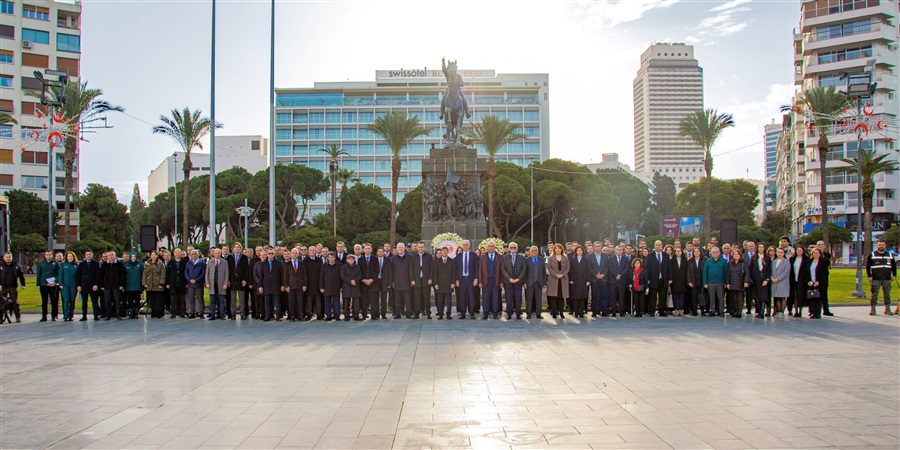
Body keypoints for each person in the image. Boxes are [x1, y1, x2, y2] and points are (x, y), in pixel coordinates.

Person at [866, 239, 896, 315]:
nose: (881, 246)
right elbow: (867, 266)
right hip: (876, 278)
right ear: (877, 246)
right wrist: (869, 276)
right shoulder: (872, 255)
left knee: (887, 294)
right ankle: (873, 309)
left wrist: (894, 275)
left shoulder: (890, 255)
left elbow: (894, 266)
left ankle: (887, 309)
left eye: (882, 245)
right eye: (879, 245)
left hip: (887, 278)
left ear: (885, 246)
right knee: (874, 294)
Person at [255, 248, 284, 321]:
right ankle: (267, 316)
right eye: (269, 253)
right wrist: (260, 286)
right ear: (267, 254)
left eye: (272, 253)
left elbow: (282, 275)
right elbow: (261, 276)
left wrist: (282, 285)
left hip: (276, 285)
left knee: (277, 302)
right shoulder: (263, 264)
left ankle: (278, 316)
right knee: (267, 302)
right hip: (266, 285)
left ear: (274, 254)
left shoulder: (278, 263)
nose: (270, 255)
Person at [645, 241, 671, 317]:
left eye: (659, 245)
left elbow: (669, 268)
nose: (658, 246)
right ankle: (652, 311)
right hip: (653, 279)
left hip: (663, 279)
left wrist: (670, 278)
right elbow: (647, 268)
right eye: (657, 245)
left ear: (662, 246)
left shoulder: (666, 256)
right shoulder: (650, 256)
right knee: (652, 296)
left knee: (662, 296)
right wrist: (648, 279)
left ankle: (661, 311)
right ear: (654, 246)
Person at [501, 242, 526, 320]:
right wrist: (509, 278)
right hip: (508, 282)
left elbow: (524, 269)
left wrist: (518, 278)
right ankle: (509, 313)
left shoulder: (521, 258)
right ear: (509, 248)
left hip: (518, 281)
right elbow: (503, 269)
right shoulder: (504, 258)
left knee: (518, 298)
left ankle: (518, 313)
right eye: (511, 248)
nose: (512, 249)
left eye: (514, 248)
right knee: (508, 298)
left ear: (517, 249)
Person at [802, 248, 829, 319]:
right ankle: (812, 312)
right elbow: (806, 273)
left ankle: (817, 313)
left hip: (820, 283)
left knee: (818, 298)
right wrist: (808, 281)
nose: (816, 254)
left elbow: (824, 273)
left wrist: (818, 281)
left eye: (817, 253)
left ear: (820, 254)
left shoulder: (823, 262)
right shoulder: (808, 262)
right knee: (812, 298)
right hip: (811, 283)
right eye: (814, 253)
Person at [479, 241, 502, 320]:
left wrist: (501, 281)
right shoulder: (483, 257)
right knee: (486, 297)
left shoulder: (499, 256)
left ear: (495, 247)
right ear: (487, 247)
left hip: (496, 280)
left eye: (492, 246)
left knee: (495, 297)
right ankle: (485, 313)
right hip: (486, 280)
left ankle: (495, 313)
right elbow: (480, 270)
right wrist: (480, 281)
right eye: (489, 246)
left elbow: (501, 270)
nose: (491, 248)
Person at [283, 248, 308, 322]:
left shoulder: (301, 263)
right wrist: (286, 286)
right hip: (290, 286)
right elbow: (285, 276)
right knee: (291, 302)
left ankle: (300, 315)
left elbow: (304, 275)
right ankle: (292, 316)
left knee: (300, 302)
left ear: (298, 254)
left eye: (296, 253)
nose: (294, 254)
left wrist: (305, 285)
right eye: (293, 253)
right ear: (291, 254)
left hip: (300, 286)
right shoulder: (287, 264)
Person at [75, 250, 101, 321]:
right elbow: (78, 275)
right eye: (87, 254)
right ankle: (84, 316)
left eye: (90, 254)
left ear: (92, 255)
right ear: (85, 255)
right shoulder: (81, 264)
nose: (88, 256)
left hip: (93, 286)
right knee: (84, 302)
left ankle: (96, 315)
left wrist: (96, 284)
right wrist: (78, 285)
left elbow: (98, 275)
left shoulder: (96, 264)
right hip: (84, 285)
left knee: (94, 302)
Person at [227, 243, 250, 320]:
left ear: (241, 249)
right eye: (235, 247)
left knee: (242, 299)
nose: (237, 248)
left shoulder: (244, 257)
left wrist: (245, 280)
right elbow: (227, 270)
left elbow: (246, 270)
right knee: (233, 298)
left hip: (241, 280)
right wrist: (228, 280)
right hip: (232, 280)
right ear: (232, 249)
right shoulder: (229, 257)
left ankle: (242, 313)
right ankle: (233, 313)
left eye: (238, 247)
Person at [205, 248, 230, 320]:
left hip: (221, 284)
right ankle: (212, 315)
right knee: (212, 300)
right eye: (215, 253)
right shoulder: (210, 262)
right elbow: (207, 273)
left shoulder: (224, 262)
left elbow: (226, 274)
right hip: (212, 284)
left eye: (218, 253)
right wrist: (207, 283)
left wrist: (225, 283)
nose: (217, 254)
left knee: (221, 300)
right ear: (213, 254)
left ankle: (222, 315)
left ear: (220, 254)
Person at [410, 242, 433, 319]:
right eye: (419, 247)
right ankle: (416, 313)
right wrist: (412, 279)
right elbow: (411, 269)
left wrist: (430, 278)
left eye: (422, 247)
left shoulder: (429, 256)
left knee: (426, 298)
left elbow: (431, 269)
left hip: (426, 280)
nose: (420, 248)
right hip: (417, 280)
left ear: (424, 247)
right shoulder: (413, 257)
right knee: (417, 298)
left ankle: (428, 313)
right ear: (417, 248)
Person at [99, 251, 125, 320]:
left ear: (115, 256)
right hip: (107, 286)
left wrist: (121, 285)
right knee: (107, 301)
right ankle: (108, 315)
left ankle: (118, 314)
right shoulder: (104, 265)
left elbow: (122, 275)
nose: (111, 256)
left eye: (112, 255)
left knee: (117, 301)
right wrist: (102, 285)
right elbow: (101, 276)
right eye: (109, 255)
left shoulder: (119, 265)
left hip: (116, 286)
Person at [456, 240, 479, 319]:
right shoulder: (459, 256)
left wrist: (476, 278)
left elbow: (476, 267)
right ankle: (463, 313)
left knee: (471, 297)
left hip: (470, 279)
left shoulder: (473, 255)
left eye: (467, 245)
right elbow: (457, 269)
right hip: (462, 279)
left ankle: (472, 313)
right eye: (464, 245)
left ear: (469, 246)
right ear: (462, 246)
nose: (465, 246)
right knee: (462, 297)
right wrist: (457, 279)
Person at [748, 243, 771, 319]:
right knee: (756, 296)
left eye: (762, 247)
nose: (761, 248)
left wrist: (767, 279)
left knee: (763, 296)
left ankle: (762, 312)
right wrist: (750, 279)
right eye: (759, 247)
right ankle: (758, 310)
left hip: (763, 278)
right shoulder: (754, 257)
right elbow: (750, 268)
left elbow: (769, 270)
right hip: (755, 279)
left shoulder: (767, 258)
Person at [703, 247, 728, 317]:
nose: (715, 253)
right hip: (710, 282)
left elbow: (726, 272)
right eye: (713, 252)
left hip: (721, 282)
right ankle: (712, 311)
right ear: (711, 253)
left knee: (721, 298)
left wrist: (726, 282)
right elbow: (705, 272)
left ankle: (721, 311)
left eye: (717, 252)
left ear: (719, 253)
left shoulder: (724, 261)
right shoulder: (707, 261)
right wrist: (705, 282)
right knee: (712, 298)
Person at [547, 243, 570, 319]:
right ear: (554, 249)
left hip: (563, 279)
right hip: (553, 279)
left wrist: (563, 274)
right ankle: (554, 312)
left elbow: (568, 268)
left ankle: (561, 312)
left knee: (561, 297)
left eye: (559, 248)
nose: (558, 250)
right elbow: (549, 268)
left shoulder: (565, 258)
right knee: (553, 297)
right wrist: (555, 274)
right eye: (556, 248)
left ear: (561, 250)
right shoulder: (551, 258)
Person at [0, 252, 25, 323]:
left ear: (11, 257)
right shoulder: (1, 266)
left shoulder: (15, 266)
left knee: (15, 302)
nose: (8, 258)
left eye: (9, 257)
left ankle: (18, 316)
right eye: (6, 257)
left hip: (12, 287)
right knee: (1, 303)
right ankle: (0, 317)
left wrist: (23, 285)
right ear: (4, 258)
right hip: (3, 287)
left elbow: (21, 276)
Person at [142, 250, 167, 319]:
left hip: (158, 285)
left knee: (158, 301)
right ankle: (153, 313)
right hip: (150, 285)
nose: (153, 256)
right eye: (152, 255)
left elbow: (163, 274)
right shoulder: (147, 264)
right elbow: (144, 274)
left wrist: (161, 283)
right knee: (152, 301)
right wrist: (144, 283)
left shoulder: (160, 264)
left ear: (157, 256)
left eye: (154, 255)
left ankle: (158, 314)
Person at [726, 249, 750, 318]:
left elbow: (747, 273)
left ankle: (739, 312)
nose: (736, 256)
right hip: (732, 282)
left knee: (740, 298)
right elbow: (728, 273)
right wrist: (727, 283)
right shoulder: (730, 263)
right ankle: (735, 311)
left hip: (740, 282)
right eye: (735, 254)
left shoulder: (743, 263)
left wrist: (746, 281)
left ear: (740, 255)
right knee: (734, 298)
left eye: (738, 254)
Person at [390, 243, 413, 319]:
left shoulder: (409, 257)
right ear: (396, 249)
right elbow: (392, 271)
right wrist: (392, 281)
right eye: (399, 247)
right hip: (397, 281)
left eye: (401, 247)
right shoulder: (393, 258)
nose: (400, 249)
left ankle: (408, 313)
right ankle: (397, 313)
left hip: (407, 281)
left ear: (404, 249)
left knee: (407, 299)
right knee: (397, 299)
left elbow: (411, 270)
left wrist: (411, 280)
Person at [36, 250, 59, 322]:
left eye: (49, 255)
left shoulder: (55, 263)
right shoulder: (41, 264)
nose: (48, 256)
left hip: (52, 284)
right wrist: (38, 284)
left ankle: (53, 316)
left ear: (52, 255)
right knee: (44, 301)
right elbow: (38, 274)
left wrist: (55, 282)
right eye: (47, 255)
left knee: (53, 300)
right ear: (45, 255)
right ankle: (44, 316)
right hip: (43, 284)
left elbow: (58, 274)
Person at [523, 246, 546, 319]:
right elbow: (524, 272)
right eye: (532, 250)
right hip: (529, 283)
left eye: (536, 250)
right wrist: (524, 282)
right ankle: (528, 313)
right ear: (530, 252)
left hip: (539, 282)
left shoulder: (541, 260)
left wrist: (544, 282)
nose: (534, 252)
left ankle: (538, 313)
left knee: (538, 299)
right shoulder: (526, 260)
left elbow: (544, 272)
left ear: (538, 251)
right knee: (529, 299)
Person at [588, 241, 609, 318]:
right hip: (594, 279)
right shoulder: (590, 256)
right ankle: (594, 311)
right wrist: (596, 275)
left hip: (603, 279)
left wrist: (603, 274)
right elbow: (589, 268)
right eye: (596, 246)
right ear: (594, 247)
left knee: (604, 295)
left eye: (599, 246)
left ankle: (604, 311)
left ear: (601, 247)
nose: (597, 247)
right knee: (595, 296)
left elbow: (607, 267)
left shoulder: (605, 256)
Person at [55, 251, 78, 322]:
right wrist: (60, 284)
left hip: (73, 285)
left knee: (72, 300)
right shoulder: (63, 265)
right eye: (68, 256)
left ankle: (71, 315)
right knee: (66, 300)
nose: (70, 257)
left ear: (73, 257)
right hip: (65, 286)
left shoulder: (76, 265)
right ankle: (66, 315)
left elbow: (78, 276)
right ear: (66, 257)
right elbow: (60, 274)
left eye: (71, 256)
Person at [184, 250, 207, 319]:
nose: (194, 255)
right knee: (191, 299)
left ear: (198, 255)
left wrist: (196, 280)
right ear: (190, 255)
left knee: (200, 298)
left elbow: (203, 273)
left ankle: (201, 312)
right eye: (192, 254)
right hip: (190, 284)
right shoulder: (188, 263)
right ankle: (192, 312)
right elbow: (186, 272)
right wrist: (189, 279)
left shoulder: (202, 263)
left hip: (198, 283)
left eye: (195, 254)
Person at [609, 245, 630, 317]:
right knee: (613, 297)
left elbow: (626, 268)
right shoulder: (611, 258)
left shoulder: (626, 259)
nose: (619, 251)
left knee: (622, 297)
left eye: (620, 250)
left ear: (622, 251)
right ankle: (613, 311)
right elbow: (610, 268)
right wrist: (615, 275)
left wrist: (620, 275)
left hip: (622, 280)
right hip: (613, 280)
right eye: (617, 249)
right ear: (615, 250)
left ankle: (622, 311)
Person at [320, 252, 342, 321]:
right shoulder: (324, 265)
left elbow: (341, 277)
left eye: (332, 257)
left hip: (336, 286)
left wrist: (341, 286)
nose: (331, 259)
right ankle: (328, 315)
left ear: (335, 258)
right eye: (329, 257)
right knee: (327, 302)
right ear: (328, 258)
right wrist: (321, 287)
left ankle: (337, 315)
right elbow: (321, 277)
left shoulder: (339, 265)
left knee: (336, 302)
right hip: (327, 287)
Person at [303, 247, 323, 321]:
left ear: (315, 251)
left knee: (318, 300)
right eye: (310, 250)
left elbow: (321, 273)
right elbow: (304, 273)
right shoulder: (305, 261)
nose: (312, 252)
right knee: (309, 300)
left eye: (313, 250)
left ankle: (319, 314)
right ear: (308, 251)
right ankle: (309, 314)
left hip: (317, 283)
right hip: (308, 283)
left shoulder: (319, 260)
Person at [770, 247, 791, 318]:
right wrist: (772, 278)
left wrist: (778, 278)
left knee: (782, 297)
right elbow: (770, 271)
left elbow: (786, 272)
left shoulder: (786, 262)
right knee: (777, 297)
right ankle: (778, 311)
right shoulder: (773, 261)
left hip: (782, 282)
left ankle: (782, 312)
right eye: (778, 252)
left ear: (784, 253)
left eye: (781, 252)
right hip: (774, 282)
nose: (780, 254)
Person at [340, 254, 362, 321]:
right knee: (346, 302)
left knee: (356, 302)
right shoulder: (343, 267)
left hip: (355, 285)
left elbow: (360, 275)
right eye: (349, 259)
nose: (351, 260)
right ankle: (346, 316)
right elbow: (342, 276)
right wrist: (350, 281)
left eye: (352, 259)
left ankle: (356, 315)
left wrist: (355, 280)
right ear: (347, 260)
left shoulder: (357, 267)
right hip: (347, 286)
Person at [668, 247, 689, 317]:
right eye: (677, 251)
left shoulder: (685, 260)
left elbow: (687, 271)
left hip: (683, 280)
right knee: (675, 296)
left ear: (682, 252)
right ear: (674, 252)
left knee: (681, 296)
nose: (678, 252)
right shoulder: (672, 260)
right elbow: (670, 270)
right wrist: (670, 279)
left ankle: (681, 309)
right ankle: (676, 309)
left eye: (679, 251)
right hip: (674, 280)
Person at [123, 253, 144, 319]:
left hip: (138, 286)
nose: (133, 258)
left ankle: (136, 312)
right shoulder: (126, 265)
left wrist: (143, 284)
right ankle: (131, 311)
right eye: (132, 256)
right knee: (130, 300)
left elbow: (143, 275)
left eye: (134, 256)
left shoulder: (140, 265)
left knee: (137, 300)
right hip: (129, 286)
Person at [167, 248, 187, 319]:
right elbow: (168, 273)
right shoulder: (170, 262)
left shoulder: (184, 262)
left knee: (182, 299)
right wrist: (168, 283)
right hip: (173, 283)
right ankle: (173, 313)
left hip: (182, 283)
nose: (177, 254)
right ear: (174, 254)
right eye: (176, 253)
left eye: (179, 253)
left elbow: (186, 272)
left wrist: (186, 283)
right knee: (173, 299)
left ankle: (183, 312)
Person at [686, 248, 705, 316]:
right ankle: (694, 311)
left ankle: (702, 311)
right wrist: (689, 281)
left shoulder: (704, 260)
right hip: (693, 281)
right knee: (694, 297)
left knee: (702, 297)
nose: (696, 252)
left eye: (697, 251)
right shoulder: (690, 261)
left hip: (702, 281)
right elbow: (688, 272)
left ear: (700, 252)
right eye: (695, 251)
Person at [790, 246, 807, 318]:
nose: (799, 251)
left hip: (802, 280)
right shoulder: (792, 259)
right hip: (794, 280)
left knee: (800, 296)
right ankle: (796, 311)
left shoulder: (806, 259)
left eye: (800, 250)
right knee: (795, 296)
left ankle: (800, 311)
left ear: (803, 251)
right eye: (798, 250)